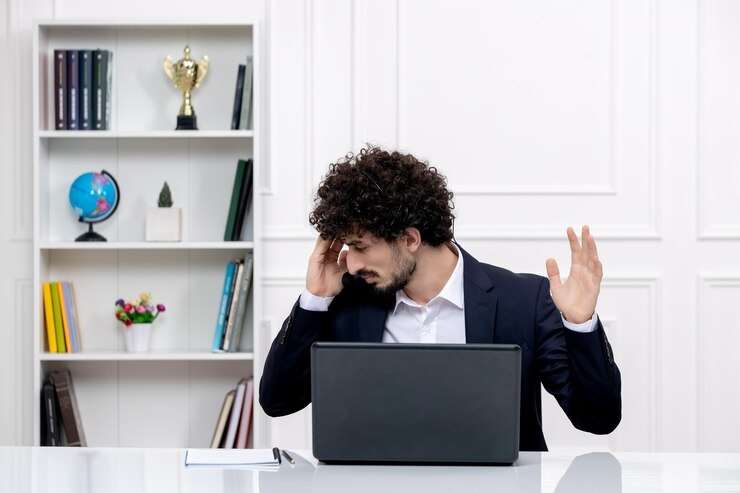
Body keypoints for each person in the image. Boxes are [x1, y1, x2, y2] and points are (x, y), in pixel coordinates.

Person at [259, 145, 621, 451]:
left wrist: (579, 324)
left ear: (411, 239)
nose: (350, 264)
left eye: (360, 247)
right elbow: (277, 401)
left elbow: (598, 419)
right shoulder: (349, 299)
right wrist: (315, 299)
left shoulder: (524, 300)